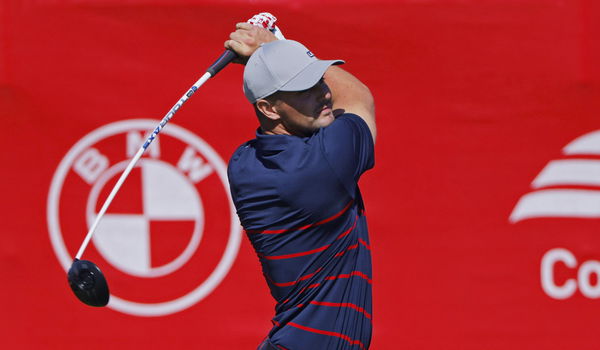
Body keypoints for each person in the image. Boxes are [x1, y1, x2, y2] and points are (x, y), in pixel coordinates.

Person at [225, 22, 376, 350]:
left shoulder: (243, 163)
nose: (323, 93)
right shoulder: (325, 163)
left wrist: (272, 56)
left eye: (319, 78)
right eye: (304, 88)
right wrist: (270, 45)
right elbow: (359, 99)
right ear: (268, 108)